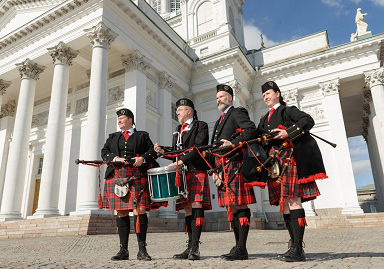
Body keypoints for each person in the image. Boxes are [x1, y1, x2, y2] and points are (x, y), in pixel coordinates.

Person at [258, 81, 327, 262]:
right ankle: (293, 245)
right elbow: (258, 138)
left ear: (278, 94)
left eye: (269, 93)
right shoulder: (263, 119)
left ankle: (298, 248)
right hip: (275, 163)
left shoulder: (287, 111)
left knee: (294, 201)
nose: (266, 97)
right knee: (286, 204)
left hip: (289, 158)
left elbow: (307, 120)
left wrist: (287, 133)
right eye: (263, 95)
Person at [154, 98, 212, 260]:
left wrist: (180, 161)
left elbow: (197, 148)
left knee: (196, 203)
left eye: (180, 110)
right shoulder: (178, 129)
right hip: (182, 173)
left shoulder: (200, 125)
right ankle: (189, 246)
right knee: (187, 207)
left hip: (195, 169)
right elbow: (176, 153)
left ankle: (195, 248)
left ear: (189, 111)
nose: (177, 112)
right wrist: (162, 153)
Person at [101, 108, 159, 261]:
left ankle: (142, 250)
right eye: (118, 118)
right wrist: (115, 158)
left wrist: (143, 159)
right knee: (121, 212)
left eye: (122, 118)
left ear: (131, 120)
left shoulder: (142, 136)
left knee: (139, 210)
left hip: (137, 175)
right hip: (118, 176)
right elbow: (104, 152)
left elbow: (152, 151)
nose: (119, 121)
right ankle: (123, 250)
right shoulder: (112, 137)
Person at [212, 84, 258, 260]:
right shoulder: (219, 120)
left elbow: (251, 130)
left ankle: (242, 248)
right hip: (222, 166)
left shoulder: (237, 112)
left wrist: (234, 143)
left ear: (230, 98)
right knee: (232, 206)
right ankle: (238, 247)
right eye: (217, 98)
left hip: (234, 163)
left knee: (239, 204)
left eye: (222, 97)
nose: (219, 100)